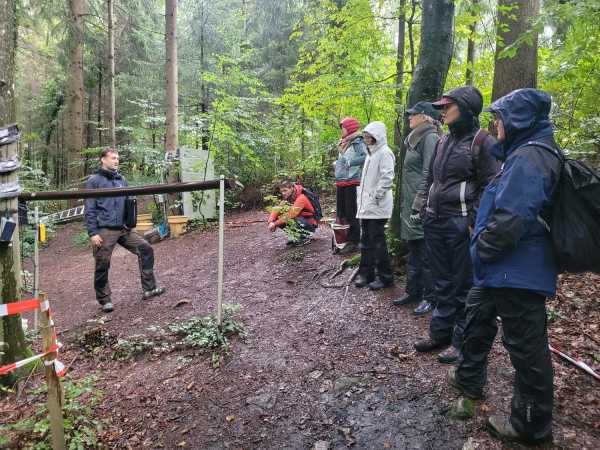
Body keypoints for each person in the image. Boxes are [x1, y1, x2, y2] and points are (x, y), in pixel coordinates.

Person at [449, 89, 559, 445]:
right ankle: (469, 381)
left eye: (499, 118)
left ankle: (530, 427)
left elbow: (511, 218)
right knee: (477, 316)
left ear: (519, 120)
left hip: (517, 269)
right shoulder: (520, 153)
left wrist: (482, 248)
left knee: (526, 349)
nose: (494, 124)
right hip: (503, 268)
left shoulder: (531, 157)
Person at [413, 86, 499, 364]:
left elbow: (490, 185)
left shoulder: (482, 142)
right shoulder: (442, 141)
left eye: (447, 105)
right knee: (441, 282)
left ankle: (461, 342)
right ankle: (441, 333)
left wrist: (474, 222)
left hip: (462, 224)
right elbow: (431, 180)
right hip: (435, 221)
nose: (442, 111)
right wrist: (425, 207)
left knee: (463, 285)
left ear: (465, 107)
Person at [85, 148, 165, 313]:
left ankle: (149, 288)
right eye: (113, 158)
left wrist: (130, 223)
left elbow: (129, 203)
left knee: (146, 249)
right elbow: (89, 209)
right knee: (102, 263)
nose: (116, 161)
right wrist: (93, 233)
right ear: (103, 160)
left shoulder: (122, 180)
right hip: (104, 230)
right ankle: (104, 300)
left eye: (118, 158)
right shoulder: (94, 181)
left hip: (124, 229)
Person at [392, 102, 441, 315]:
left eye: (413, 114)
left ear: (425, 117)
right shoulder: (415, 138)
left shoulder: (430, 137)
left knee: (426, 253)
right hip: (410, 203)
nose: (409, 117)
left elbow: (429, 173)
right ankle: (413, 290)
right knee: (414, 250)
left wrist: (418, 204)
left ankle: (430, 297)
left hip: (421, 205)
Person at [354, 121, 395, 290]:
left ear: (377, 137)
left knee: (378, 243)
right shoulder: (370, 154)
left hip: (377, 207)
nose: (366, 139)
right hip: (367, 206)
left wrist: (376, 197)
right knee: (365, 241)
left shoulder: (385, 153)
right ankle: (366, 273)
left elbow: (387, 177)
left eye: (369, 136)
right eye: (364, 136)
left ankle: (385, 277)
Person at [334, 117, 367, 254]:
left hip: (352, 182)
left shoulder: (358, 141)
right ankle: (343, 240)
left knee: (351, 212)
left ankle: (354, 241)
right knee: (341, 212)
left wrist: (349, 163)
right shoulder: (343, 142)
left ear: (350, 128)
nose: (341, 130)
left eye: (343, 127)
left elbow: (365, 157)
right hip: (341, 181)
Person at [267, 181, 318, 246]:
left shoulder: (301, 197)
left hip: (309, 224)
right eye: (282, 191)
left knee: (291, 217)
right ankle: (296, 237)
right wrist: (271, 222)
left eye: (285, 190)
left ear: (291, 188)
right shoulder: (288, 198)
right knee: (279, 217)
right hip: (301, 220)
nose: (283, 193)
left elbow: (292, 214)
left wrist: (275, 223)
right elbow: (277, 209)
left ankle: (304, 238)